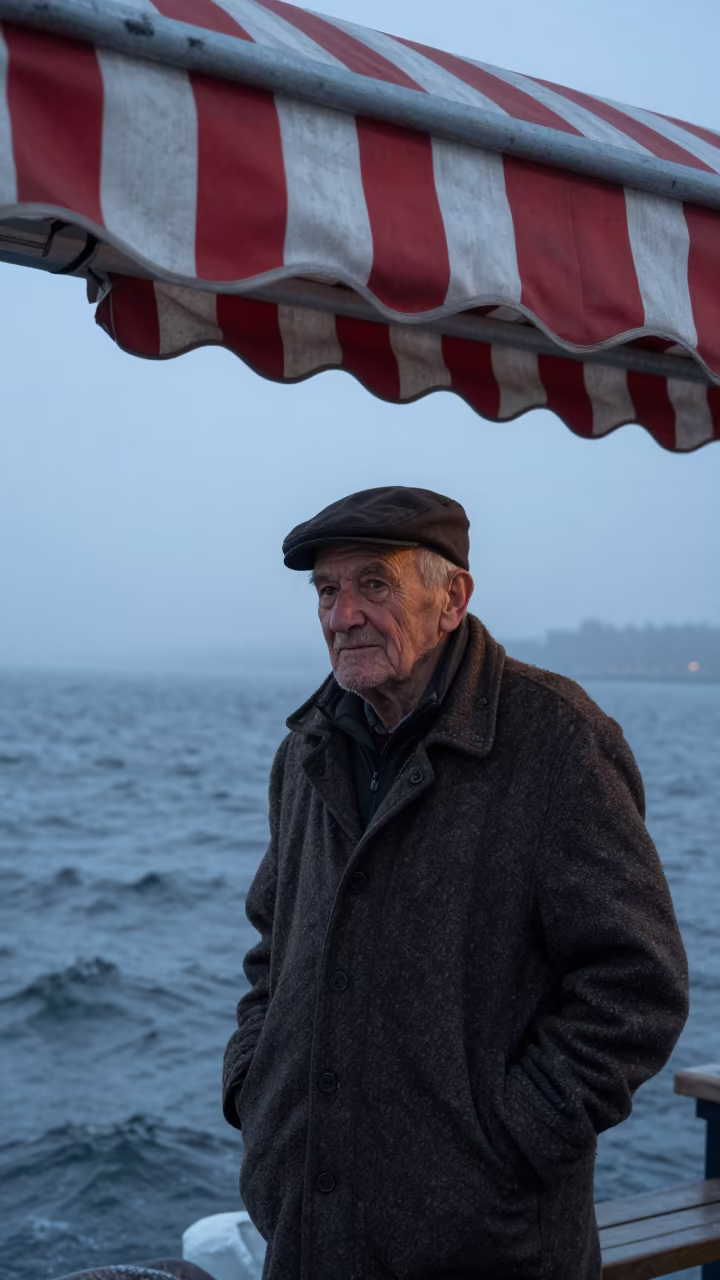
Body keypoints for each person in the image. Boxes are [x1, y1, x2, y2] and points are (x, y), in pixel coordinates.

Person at [222, 486, 689, 1280]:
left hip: (489, 1248)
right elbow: (275, 944)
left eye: (373, 584)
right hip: (307, 1231)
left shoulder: (557, 741)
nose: (342, 616)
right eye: (327, 592)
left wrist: (513, 1139)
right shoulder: (306, 750)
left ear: (452, 598)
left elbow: (639, 983)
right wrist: (252, 1080)